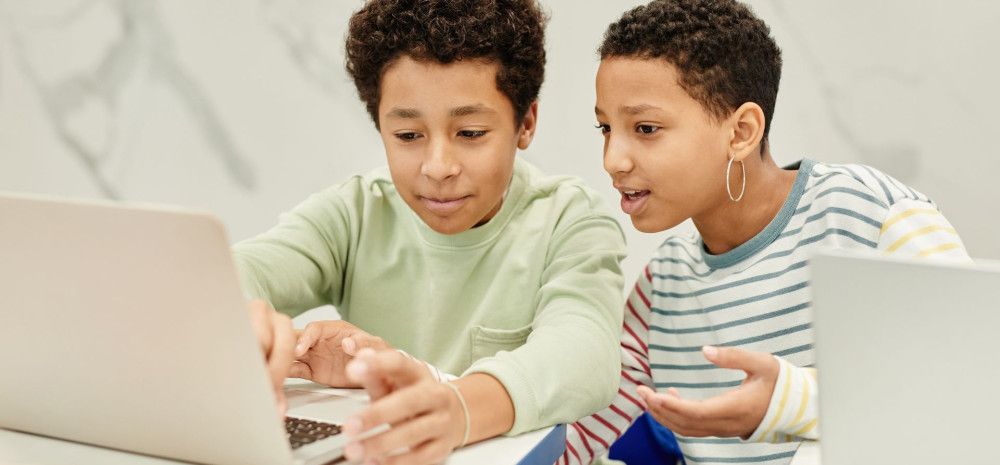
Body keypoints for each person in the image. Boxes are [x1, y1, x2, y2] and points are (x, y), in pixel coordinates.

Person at [561, 1, 970, 463]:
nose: (613, 160)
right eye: (605, 128)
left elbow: (972, 386)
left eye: (646, 128)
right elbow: (569, 442)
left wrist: (788, 401)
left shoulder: (874, 216)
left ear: (741, 132)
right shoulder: (661, 289)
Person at [239, 1, 628, 464]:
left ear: (525, 123)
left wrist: (458, 407)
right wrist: (243, 318)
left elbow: (585, 353)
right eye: (408, 135)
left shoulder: (570, 219)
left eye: (470, 133)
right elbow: (240, 270)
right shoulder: (355, 212)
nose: (438, 167)